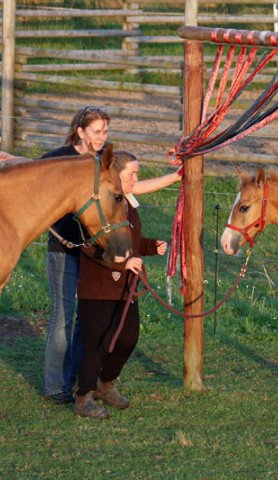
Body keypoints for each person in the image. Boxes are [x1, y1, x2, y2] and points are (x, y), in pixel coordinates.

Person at [39, 106, 181, 404]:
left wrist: (174, 177)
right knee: (63, 317)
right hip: (64, 248)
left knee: (85, 322)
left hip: (96, 251)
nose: (102, 137)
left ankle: (79, 380)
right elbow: (32, 174)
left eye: (105, 131)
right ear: (80, 131)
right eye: (96, 131)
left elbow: (130, 187)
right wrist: (11, 159)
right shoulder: (60, 158)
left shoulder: (102, 164)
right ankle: (55, 386)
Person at [75, 150, 165, 419]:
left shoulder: (129, 203)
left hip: (126, 286)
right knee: (97, 343)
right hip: (99, 285)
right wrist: (121, 265)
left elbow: (132, 241)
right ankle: (83, 398)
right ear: (116, 174)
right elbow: (88, 247)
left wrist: (150, 246)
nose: (137, 178)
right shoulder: (97, 204)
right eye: (133, 173)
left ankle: (106, 385)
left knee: (127, 338)